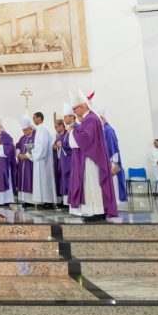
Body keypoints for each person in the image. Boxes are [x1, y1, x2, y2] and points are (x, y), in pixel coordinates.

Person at [66, 90, 118, 221]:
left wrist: (71, 131)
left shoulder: (91, 119)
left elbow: (86, 139)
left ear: (83, 106)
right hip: (90, 156)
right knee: (89, 184)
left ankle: (97, 212)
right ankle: (94, 211)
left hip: (92, 158)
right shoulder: (89, 119)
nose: (74, 112)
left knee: (92, 183)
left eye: (75, 109)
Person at [100, 111, 126, 204]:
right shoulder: (104, 129)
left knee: (114, 184)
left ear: (102, 119)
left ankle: (114, 203)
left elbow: (112, 147)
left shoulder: (108, 130)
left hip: (111, 162)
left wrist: (114, 163)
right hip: (107, 161)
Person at [52, 113, 71, 207]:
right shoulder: (59, 136)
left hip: (68, 161)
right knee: (61, 180)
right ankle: (63, 200)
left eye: (56, 127)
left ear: (61, 126)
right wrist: (55, 146)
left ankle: (68, 202)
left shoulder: (67, 134)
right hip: (60, 161)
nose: (55, 129)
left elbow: (69, 146)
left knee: (67, 180)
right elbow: (54, 145)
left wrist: (61, 145)